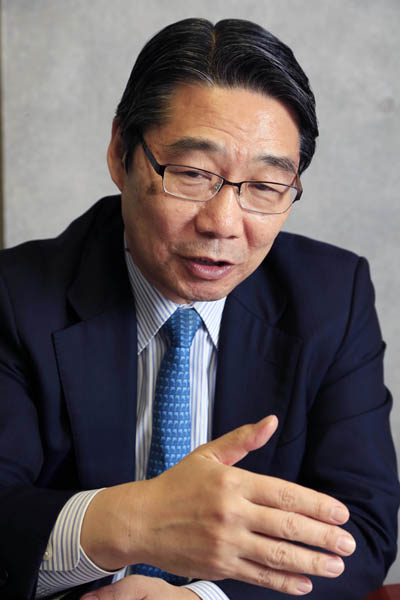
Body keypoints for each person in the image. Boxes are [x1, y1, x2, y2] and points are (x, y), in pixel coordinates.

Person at [0, 17, 398, 600]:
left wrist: (199, 599)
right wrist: (137, 521)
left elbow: (361, 525)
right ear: (120, 153)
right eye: (192, 174)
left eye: (265, 186)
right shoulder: (15, 297)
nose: (223, 224)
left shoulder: (333, 296)